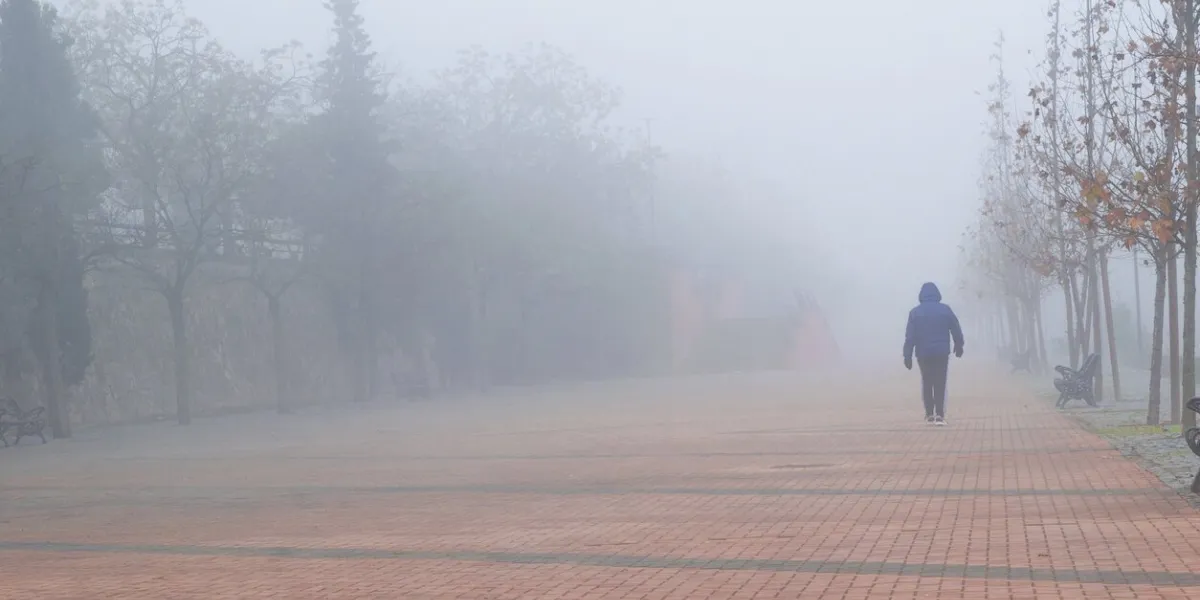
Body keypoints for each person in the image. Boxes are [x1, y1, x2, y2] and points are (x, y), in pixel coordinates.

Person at [903, 282, 964, 426]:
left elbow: (910, 337)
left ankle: (929, 413)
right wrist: (959, 345)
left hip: (923, 353)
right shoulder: (945, 310)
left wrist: (907, 355)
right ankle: (940, 415)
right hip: (941, 352)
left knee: (927, 381)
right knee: (940, 382)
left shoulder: (915, 313)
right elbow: (956, 328)